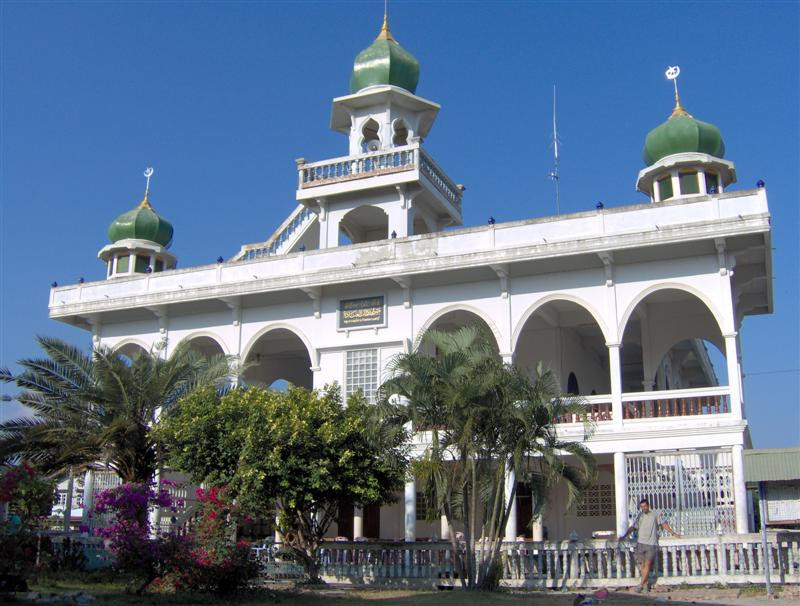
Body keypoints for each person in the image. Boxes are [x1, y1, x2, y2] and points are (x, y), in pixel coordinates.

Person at [618, 498, 681, 592]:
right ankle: (644, 585)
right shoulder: (640, 516)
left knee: (647, 564)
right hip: (640, 543)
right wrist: (624, 536)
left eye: (645, 506)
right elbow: (633, 527)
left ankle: (640, 584)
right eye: (642, 507)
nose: (643, 508)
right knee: (642, 565)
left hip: (651, 544)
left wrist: (673, 533)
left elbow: (664, 524)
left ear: (648, 506)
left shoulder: (655, 514)